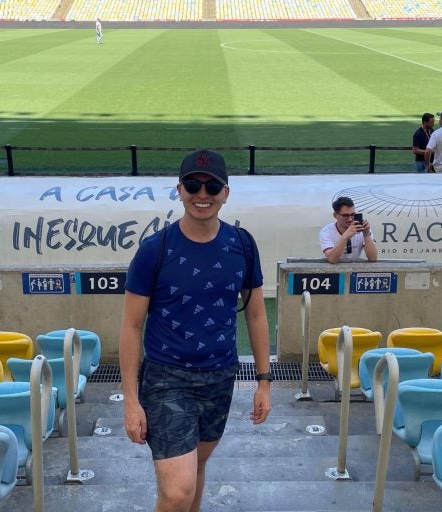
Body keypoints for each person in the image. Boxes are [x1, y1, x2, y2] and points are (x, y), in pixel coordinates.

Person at [119, 149, 272, 512]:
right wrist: (130, 400)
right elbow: (130, 325)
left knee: (197, 468)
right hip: (167, 378)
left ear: (225, 193)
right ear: (179, 190)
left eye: (211, 187)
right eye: (193, 185)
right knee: (176, 492)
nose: (202, 194)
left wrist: (264, 381)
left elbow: (256, 314)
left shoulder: (243, 245)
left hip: (220, 376)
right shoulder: (154, 250)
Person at [319, 196, 377, 263]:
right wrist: (345, 237)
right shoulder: (326, 232)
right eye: (345, 215)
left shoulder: (361, 229)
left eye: (353, 215)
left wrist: (366, 234)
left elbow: (373, 258)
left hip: (354, 269)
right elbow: (332, 259)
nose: (350, 219)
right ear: (335, 215)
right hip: (334, 270)